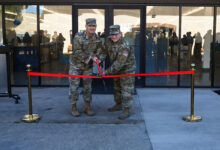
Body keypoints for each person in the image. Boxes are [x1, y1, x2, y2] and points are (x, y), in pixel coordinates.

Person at [101, 25, 136, 120]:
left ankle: (126, 110)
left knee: (126, 90)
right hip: (116, 69)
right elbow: (104, 52)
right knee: (117, 88)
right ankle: (118, 104)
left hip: (127, 69)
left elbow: (119, 63)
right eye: (112, 35)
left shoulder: (125, 46)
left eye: (116, 34)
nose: (114, 37)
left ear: (120, 34)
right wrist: (99, 60)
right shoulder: (108, 41)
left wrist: (106, 73)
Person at [69, 18, 102, 117]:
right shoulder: (78, 36)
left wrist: (98, 59)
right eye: (90, 26)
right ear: (86, 26)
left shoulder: (97, 38)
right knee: (74, 87)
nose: (92, 28)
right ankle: (73, 107)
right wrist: (91, 58)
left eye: (94, 26)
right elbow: (77, 51)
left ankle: (87, 107)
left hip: (87, 68)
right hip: (76, 66)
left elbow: (100, 51)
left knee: (87, 87)